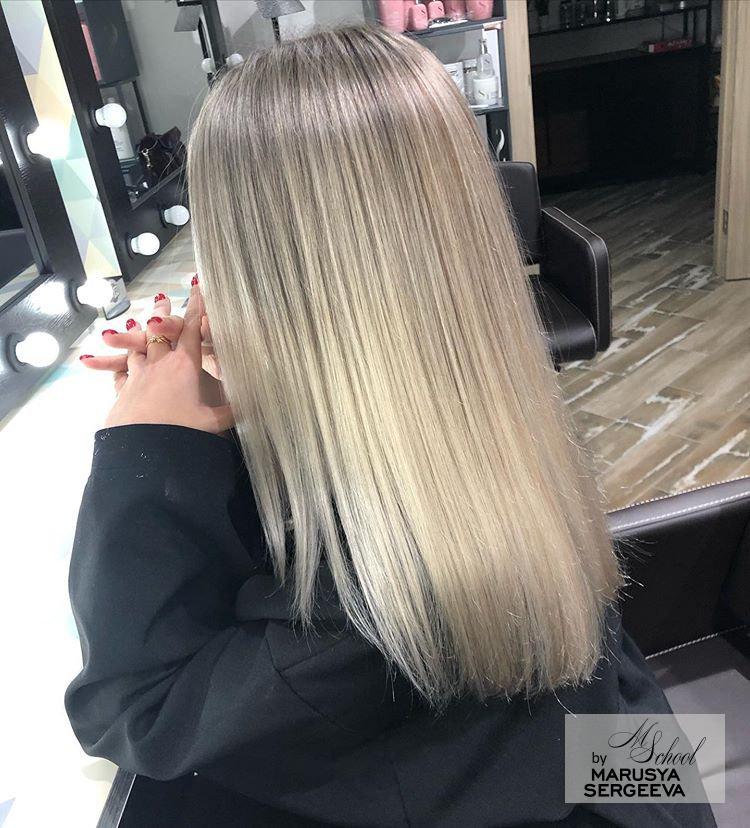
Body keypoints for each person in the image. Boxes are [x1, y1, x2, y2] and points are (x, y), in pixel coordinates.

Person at [66, 26, 715, 828]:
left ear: (263, 278)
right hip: (620, 759)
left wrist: (147, 450)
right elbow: (637, 760)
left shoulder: (357, 611)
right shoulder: (496, 436)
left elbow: (134, 710)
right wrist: (236, 407)